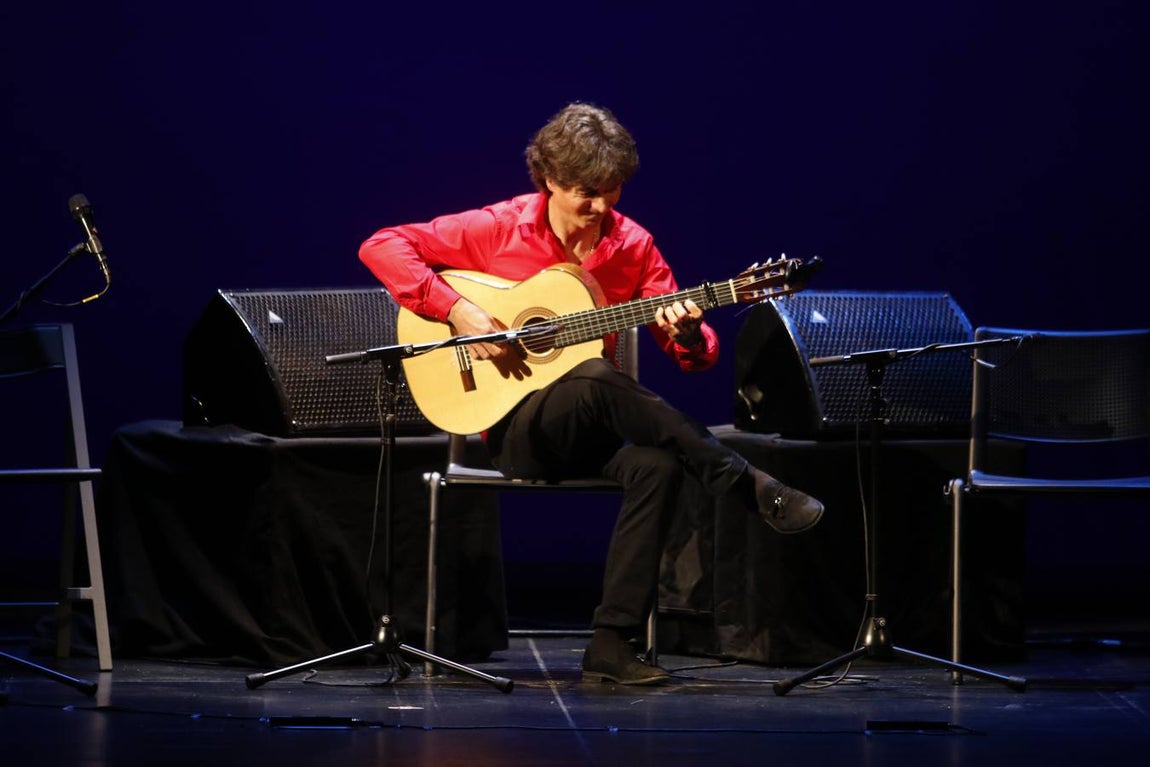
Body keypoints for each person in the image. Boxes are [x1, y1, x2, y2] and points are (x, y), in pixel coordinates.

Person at [358, 102, 824, 685]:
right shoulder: (497, 228)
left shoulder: (633, 246)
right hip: (513, 428)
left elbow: (694, 355)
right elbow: (382, 245)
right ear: (549, 179)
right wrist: (460, 311)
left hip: (590, 429)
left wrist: (685, 330)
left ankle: (612, 642)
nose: (601, 207)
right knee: (600, 377)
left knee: (657, 465)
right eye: (586, 192)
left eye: (612, 191)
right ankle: (741, 480)